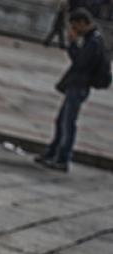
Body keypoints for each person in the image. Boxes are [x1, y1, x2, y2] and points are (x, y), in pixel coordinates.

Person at [36, 8, 107, 172]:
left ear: (83, 23)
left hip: (79, 86)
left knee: (68, 123)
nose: (74, 30)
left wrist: (73, 45)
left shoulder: (94, 41)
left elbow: (81, 63)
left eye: (75, 27)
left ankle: (62, 158)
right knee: (61, 121)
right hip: (77, 85)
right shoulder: (93, 39)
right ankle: (52, 153)